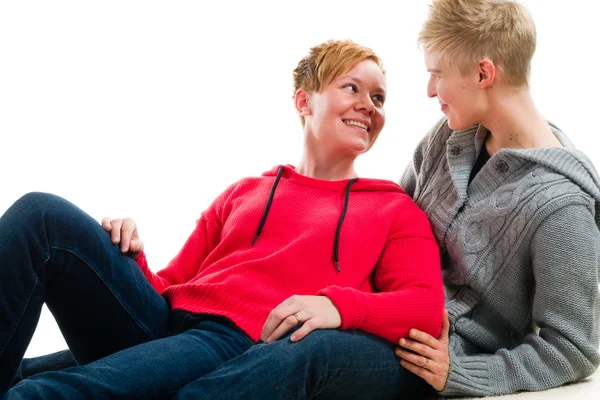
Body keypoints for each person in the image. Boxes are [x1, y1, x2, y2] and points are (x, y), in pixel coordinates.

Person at [0, 40, 444, 399]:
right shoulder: (244, 192)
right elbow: (170, 286)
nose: (369, 105)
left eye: (379, 97)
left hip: (237, 342)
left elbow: (424, 307)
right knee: (42, 216)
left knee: (48, 390)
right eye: (353, 88)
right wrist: (131, 255)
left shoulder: (392, 207)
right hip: (164, 323)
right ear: (304, 101)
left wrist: (336, 305)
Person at [393, 0, 600, 397]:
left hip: (419, 354)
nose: (430, 90)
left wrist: (464, 373)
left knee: (307, 356)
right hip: (379, 315)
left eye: (437, 74)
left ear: (484, 73)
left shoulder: (562, 205)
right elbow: (392, 221)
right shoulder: (446, 138)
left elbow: (573, 348)